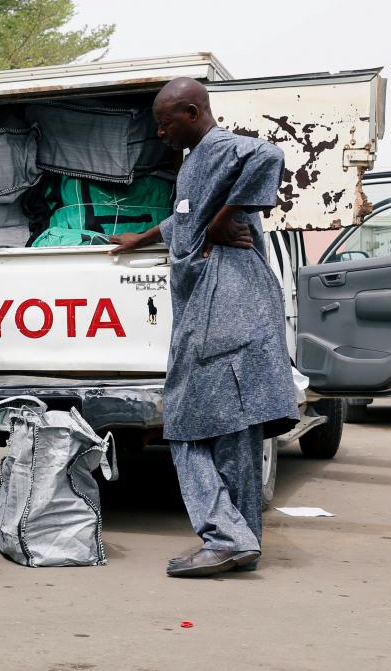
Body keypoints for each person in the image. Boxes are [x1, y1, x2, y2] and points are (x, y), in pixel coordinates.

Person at [110, 78, 299, 578]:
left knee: (186, 425)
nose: (160, 130)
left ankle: (225, 537)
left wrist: (229, 216)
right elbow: (186, 219)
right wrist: (145, 236)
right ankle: (241, 542)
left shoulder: (220, 147)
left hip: (226, 308)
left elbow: (269, 155)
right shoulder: (195, 161)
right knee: (233, 430)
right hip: (229, 310)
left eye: (166, 121)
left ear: (193, 112)